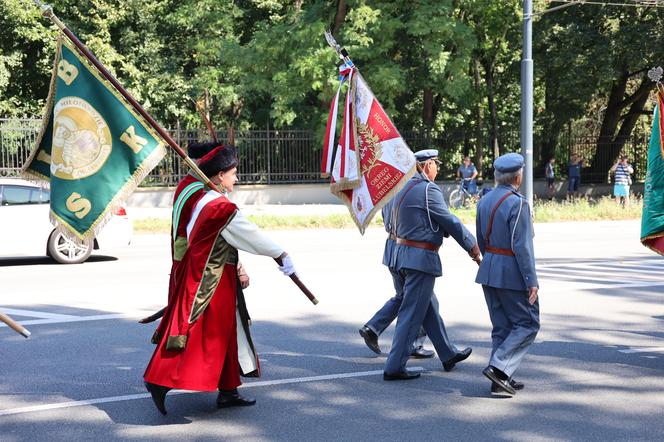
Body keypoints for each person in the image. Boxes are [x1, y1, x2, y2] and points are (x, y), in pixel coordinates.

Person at [143, 144, 298, 414]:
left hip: (217, 274)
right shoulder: (219, 206)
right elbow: (250, 235)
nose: (236, 178)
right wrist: (281, 253)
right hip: (211, 279)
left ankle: (228, 390)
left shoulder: (206, 198)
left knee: (227, 332)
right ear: (219, 176)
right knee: (198, 333)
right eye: (233, 173)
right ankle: (159, 380)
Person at [383, 149, 480, 381]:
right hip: (419, 259)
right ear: (426, 166)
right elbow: (450, 221)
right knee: (411, 313)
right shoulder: (428, 189)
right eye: (436, 164)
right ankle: (394, 366)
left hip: (396, 255)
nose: (437, 168)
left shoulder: (397, 188)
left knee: (428, 305)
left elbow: (389, 221)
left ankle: (447, 354)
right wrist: (472, 247)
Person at [475, 152, 539, 396]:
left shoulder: (484, 200)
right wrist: (531, 281)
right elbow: (522, 246)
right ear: (518, 177)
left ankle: (499, 379)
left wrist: (490, 260)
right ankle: (499, 368)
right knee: (528, 323)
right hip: (511, 271)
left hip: (489, 267)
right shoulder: (518, 203)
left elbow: (481, 239)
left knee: (501, 327)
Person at [359, 198, 433, 360]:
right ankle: (415, 343)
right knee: (419, 297)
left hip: (392, 245)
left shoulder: (392, 190)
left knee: (404, 296)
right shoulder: (410, 190)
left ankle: (373, 328)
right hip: (406, 246)